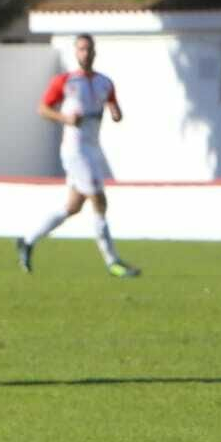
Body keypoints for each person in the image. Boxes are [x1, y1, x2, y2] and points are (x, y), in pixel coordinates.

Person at [16, 33, 141, 277]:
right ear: (76, 52)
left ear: (95, 52)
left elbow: (113, 106)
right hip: (75, 150)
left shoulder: (105, 82)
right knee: (99, 200)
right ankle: (112, 262)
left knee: (72, 207)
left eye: (89, 49)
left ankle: (27, 240)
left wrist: (115, 112)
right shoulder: (65, 81)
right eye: (81, 49)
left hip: (93, 149)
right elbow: (42, 108)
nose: (85, 53)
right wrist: (64, 118)